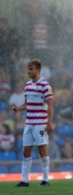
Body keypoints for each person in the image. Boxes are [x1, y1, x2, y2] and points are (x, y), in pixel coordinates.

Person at [12, 59, 54, 187]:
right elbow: (27, 103)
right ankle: (25, 180)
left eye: (31, 69)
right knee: (26, 150)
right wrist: (19, 108)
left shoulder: (45, 86)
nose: (28, 71)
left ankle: (45, 179)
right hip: (29, 123)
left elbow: (51, 105)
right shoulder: (27, 85)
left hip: (40, 122)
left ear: (38, 70)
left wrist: (49, 123)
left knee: (42, 149)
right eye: (28, 69)